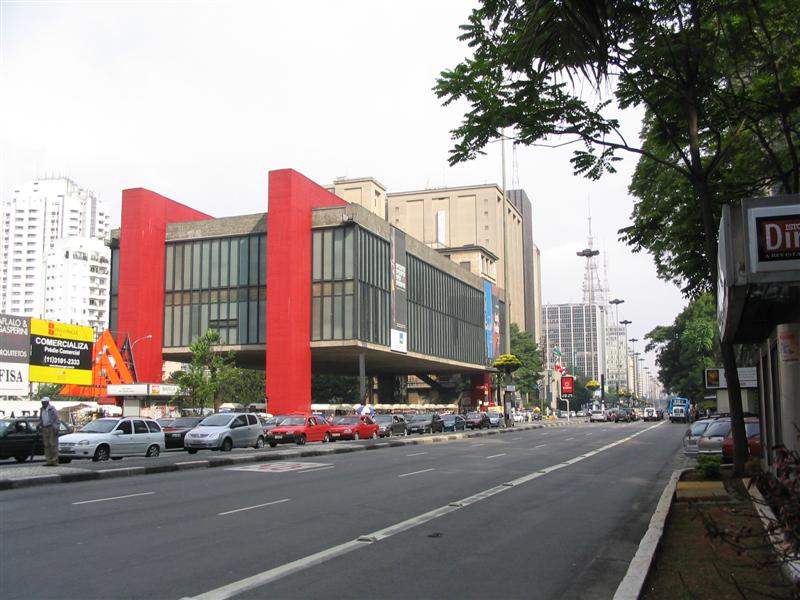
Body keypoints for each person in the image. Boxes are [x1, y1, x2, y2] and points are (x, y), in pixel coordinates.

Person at [39, 397, 60, 466]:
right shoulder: (41, 409)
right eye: (42, 402)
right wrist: (40, 424)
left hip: (51, 427)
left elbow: (56, 419)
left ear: (47, 402)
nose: (42, 403)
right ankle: (48, 461)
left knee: (53, 444)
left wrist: (56, 428)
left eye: (44, 402)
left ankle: (54, 461)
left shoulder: (52, 409)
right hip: (44, 428)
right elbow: (41, 418)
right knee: (46, 445)